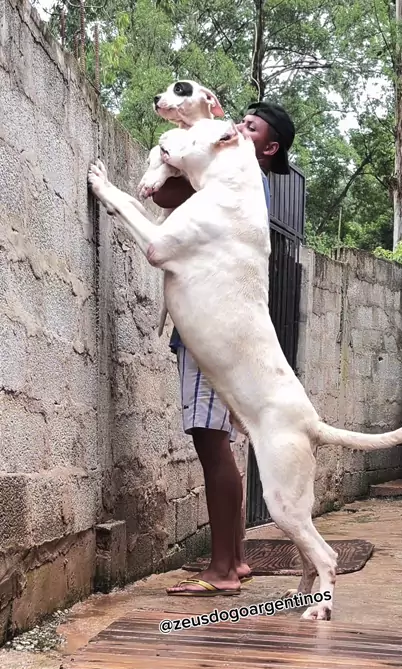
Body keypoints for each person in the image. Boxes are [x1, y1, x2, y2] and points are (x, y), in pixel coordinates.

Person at [151, 101, 296, 596]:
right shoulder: (234, 181)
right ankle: (235, 559)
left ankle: (223, 572)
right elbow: (171, 194)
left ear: (268, 148)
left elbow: (162, 197)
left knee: (211, 443)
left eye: (250, 128)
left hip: (214, 330)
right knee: (220, 446)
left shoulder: (237, 184)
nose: (237, 127)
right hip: (220, 327)